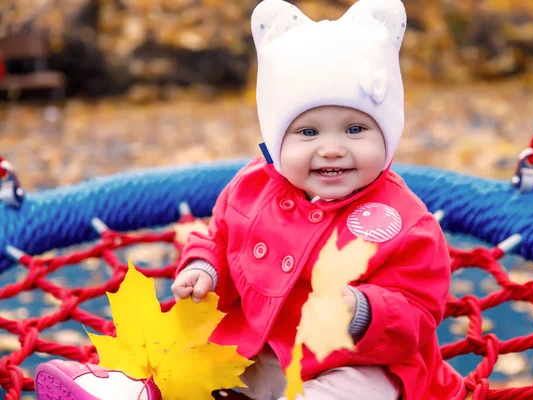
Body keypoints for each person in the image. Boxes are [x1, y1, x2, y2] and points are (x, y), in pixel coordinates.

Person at [34, 0, 466, 399]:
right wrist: (203, 268)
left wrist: (364, 310)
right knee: (186, 359)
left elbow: (420, 313)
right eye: (308, 132)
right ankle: (138, 388)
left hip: (352, 362)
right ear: (277, 141)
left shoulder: (405, 222)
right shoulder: (252, 186)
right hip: (255, 344)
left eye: (356, 129)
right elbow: (219, 239)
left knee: (357, 391)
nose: (332, 148)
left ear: (388, 134)